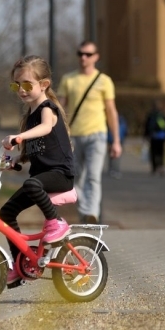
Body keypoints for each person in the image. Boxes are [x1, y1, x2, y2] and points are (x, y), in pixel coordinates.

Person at [0, 55, 75, 287]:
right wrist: (13, 161)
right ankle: (20, 263)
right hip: (40, 178)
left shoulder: (47, 109)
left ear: (44, 85)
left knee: (32, 184)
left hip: (60, 174)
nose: (21, 90)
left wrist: (19, 136)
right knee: (6, 213)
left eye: (27, 85)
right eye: (16, 85)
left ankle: (56, 223)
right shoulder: (28, 118)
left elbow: (46, 128)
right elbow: (31, 150)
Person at [58, 41, 122, 224]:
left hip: (97, 136)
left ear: (96, 57)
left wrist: (116, 141)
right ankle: (86, 213)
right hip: (74, 137)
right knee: (76, 179)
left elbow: (111, 112)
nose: (83, 58)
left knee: (93, 177)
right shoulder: (69, 79)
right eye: (80, 54)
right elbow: (60, 109)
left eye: (87, 54)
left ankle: (91, 214)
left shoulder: (104, 81)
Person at [143, 100, 165, 176]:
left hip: (153, 136)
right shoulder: (162, 115)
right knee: (161, 152)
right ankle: (161, 166)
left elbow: (146, 126)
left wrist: (145, 135)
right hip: (161, 136)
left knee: (153, 152)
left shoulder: (150, 115)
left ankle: (154, 167)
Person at [107, 113, 128, 179]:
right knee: (115, 157)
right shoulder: (122, 122)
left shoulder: (111, 121)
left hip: (113, 140)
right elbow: (125, 131)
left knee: (113, 156)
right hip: (117, 140)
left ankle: (113, 169)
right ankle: (114, 169)